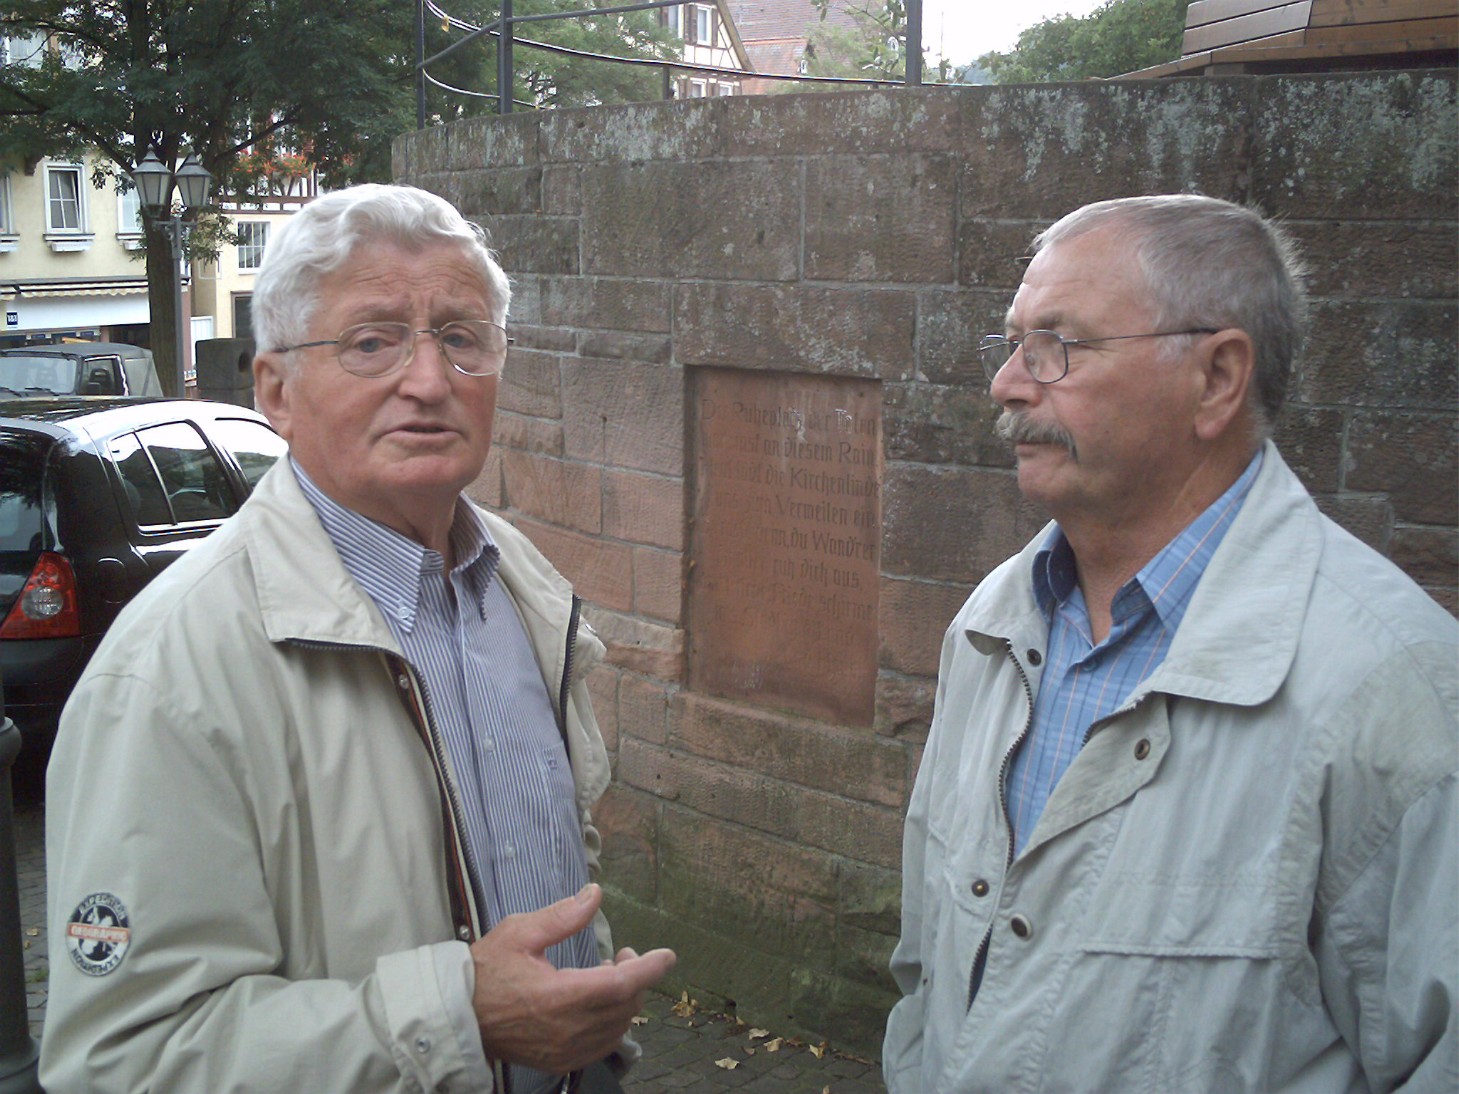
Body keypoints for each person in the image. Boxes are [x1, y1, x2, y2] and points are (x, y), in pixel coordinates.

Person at [42, 184, 675, 1093]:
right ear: (275, 391)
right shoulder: (169, 671)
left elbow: (549, 858)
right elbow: (124, 1058)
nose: (428, 380)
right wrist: (465, 1017)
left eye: (461, 337)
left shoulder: (518, 586)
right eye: (371, 342)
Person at [883, 194, 1457, 1092]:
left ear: (1217, 378)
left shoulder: (1395, 690)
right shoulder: (993, 622)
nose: (1006, 384)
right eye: (1011, 342)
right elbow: (930, 964)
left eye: (1058, 346)